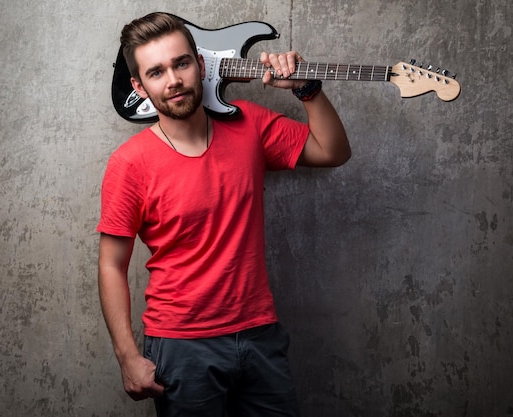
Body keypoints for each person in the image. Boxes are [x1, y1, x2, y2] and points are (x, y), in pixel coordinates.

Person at [97, 12, 350, 417]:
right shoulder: (129, 163)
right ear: (139, 87)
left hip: (260, 335)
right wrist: (126, 356)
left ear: (200, 63)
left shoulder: (250, 125)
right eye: (156, 72)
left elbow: (333, 151)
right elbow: (111, 265)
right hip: (180, 346)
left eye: (181, 63)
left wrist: (306, 89)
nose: (174, 80)